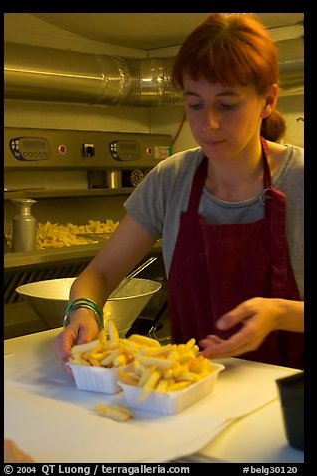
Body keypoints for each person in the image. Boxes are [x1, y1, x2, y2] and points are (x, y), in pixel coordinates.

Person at [54, 13, 304, 371]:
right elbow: (101, 274)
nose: (208, 123)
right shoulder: (171, 180)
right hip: (190, 389)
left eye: (227, 104)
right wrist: (84, 309)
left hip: (289, 398)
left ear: (268, 100)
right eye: (195, 104)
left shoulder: (299, 178)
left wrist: (280, 313)